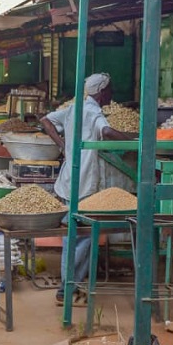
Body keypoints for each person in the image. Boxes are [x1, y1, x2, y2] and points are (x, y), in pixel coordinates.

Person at [40, 73, 130, 305]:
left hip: (71, 180)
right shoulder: (93, 111)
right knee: (82, 236)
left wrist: (64, 147)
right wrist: (135, 140)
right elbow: (107, 132)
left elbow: (46, 120)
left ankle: (69, 286)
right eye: (109, 89)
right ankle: (68, 289)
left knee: (76, 235)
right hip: (82, 183)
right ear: (102, 92)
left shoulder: (75, 108)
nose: (112, 93)